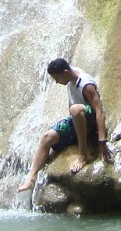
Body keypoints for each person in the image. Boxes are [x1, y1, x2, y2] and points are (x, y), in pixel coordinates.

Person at [17, 57, 111, 192]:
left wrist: (102, 140)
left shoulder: (86, 85)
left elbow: (99, 111)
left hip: (92, 122)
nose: (56, 82)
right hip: (78, 120)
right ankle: (31, 179)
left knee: (75, 109)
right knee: (47, 137)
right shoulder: (71, 77)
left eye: (57, 78)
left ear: (65, 73)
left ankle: (83, 155)